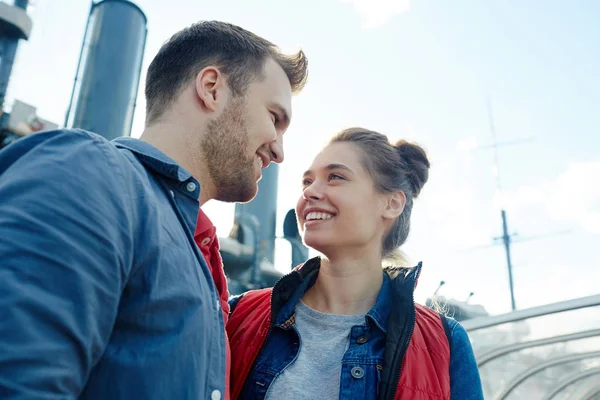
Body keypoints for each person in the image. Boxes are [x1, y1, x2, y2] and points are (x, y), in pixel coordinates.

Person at [0, 21, 308, 399]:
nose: (279, 151)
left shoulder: (196, 249)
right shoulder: (92, 174)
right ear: (211, 88)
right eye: (274, 118)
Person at [226, 128, 485, 400]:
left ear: (392, 203)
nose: (310, 192)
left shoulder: (446, 342)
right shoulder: (237, 315)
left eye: (335, 177)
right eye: (307, 181)